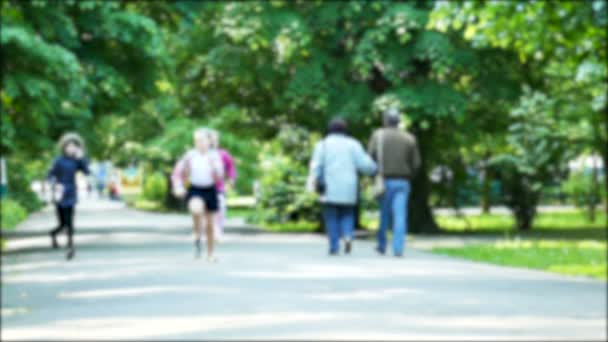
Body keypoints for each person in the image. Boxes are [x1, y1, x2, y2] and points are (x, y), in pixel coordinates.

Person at [309, 117, 377, 255]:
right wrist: (375, 169)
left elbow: (316, 166)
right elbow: (365, 164)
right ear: (345, 130)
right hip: (349, 187)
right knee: (347, 213)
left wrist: (312, 182)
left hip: (329, 187)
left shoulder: (322, 145)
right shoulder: (353, 144)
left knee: (331, 216)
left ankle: (334, 246)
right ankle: (347, 236)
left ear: (329, 130)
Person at [368, 108, 421, 257]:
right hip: (403, 181)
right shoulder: (409, 138)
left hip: (384, 180)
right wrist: (409, 175)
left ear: (385, 120)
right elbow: (416, 164)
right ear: (398, 121)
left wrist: (373, 175)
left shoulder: (378, 136)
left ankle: (382, 244)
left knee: (384, 215)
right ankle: (398, 248)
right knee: (400, 215)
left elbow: (370, 157)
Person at [171, 128, 224, 262]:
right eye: (197, 141)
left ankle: (210, 254)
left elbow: (220, 176)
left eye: (202, 140)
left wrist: (215, 167)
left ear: (209, 141)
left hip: (210, 189)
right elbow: (177, 172)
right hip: (195, 189)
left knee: (210, 225)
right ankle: (197, 235)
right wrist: (178, 187)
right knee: (196, 209)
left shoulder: (214, 156)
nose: (199, 143)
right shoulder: (190, 155)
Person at [47, 132, 90, 260]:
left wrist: (81, 158)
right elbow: (50, 176)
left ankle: (70, 246)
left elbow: (87, 171)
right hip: (60, 194)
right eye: (68, 146)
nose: (71, 148)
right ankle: (53, 234)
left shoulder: (77, 161)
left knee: (70, 222)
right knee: (62, 224)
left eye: (74, 146)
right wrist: (55, 184)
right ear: (64, 147)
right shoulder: (58, 161)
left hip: (71, 193)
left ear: (77, 147)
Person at [207, 129, 236, 242]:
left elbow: (231, 167)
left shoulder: (223, 154)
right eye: (211, 139)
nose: (213, 142)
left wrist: (231, 179)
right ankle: (209, 231)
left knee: (221, 209)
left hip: (218, 188)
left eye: (215, 139)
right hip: (203, 187)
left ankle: (218, 231)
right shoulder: (200, 154)